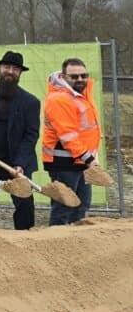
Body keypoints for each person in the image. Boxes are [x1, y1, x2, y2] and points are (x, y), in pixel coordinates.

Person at [0, 51, 39, 230]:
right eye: (6, 67)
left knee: (24, 205)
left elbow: (31, 135)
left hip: (15, 163)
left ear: (20, 73)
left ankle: (25, 239)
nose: (10, 71)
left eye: (15, 69)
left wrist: (20, 164)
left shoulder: (31, 102)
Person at [42, 57, 100, 225]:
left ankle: (75, 243)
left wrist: (90, 157)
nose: (80, 79)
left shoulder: (81, 95)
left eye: (83, 75)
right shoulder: (59, 99)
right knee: (64, 207)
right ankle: (58, 244)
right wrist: (89, 159)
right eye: (74, 76)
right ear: (63, 76)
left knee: (81, 206)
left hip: (81, 160)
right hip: (64, 162)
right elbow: (68, 136)